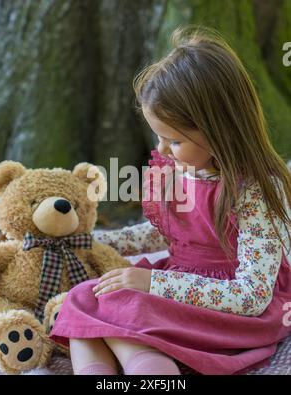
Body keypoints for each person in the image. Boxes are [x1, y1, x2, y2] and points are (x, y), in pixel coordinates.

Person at [50, 26, 291, 375]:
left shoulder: (253, 191)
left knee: (125, 306)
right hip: (178, 286)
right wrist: (88, 242)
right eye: (158, 136)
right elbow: (162, 234)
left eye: (174, 140)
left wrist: (152, 283)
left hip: (228, 310)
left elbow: (251, 296)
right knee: (86, 297)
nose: (162, 149)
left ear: (219, 129)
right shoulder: (177, 171)